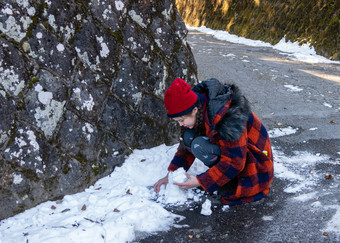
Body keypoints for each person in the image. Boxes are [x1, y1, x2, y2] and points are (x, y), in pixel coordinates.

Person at [154, 78, 274, 205]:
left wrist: (202, 181)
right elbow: (184, 150)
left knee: (200, 145)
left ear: (194, 110)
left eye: (181, 120)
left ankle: (232, 182)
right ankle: (222, 177)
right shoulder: (199, 107)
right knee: (189, 137)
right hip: (238, 154)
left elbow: (235, 161)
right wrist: (171, 174)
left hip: (257, 163)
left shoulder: (226, 116)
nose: (180, 124)